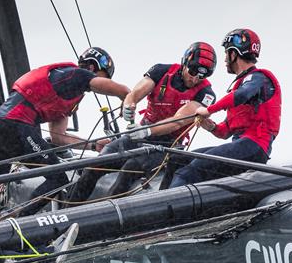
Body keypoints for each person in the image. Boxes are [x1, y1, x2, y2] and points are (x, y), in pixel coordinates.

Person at [0, 47, 130, 229]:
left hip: (1, 123)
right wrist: (129, 98)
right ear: (94, 68)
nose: (104, 83)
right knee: (57, 177)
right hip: (18, 126)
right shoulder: (76, 75)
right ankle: (22, 225)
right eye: (105, 77)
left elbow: (58, 139)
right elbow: (122, 91)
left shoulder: (70, 89)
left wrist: (93, 144)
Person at [67, 42, 217, 204]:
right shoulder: (161, 71)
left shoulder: (206, 94)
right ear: (184, 63)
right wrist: (129, 105)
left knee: (130, 168)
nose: (195, 78)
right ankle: (65, 213)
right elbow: (136, 93)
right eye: (193, 71)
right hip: (138, 136)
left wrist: (147, 131)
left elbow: (178, 122)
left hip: (167, 144)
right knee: (94, 166)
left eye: (202, 75)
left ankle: (102, 218)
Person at [168, 28, 282, 188]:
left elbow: (242, 95)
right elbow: (225, 132)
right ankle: (153, 200)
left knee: (190, 172)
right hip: (241, 144)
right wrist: (210, 126)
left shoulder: (258, 78)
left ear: (234, 54)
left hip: (254, 146)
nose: (225, 59)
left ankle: (165, 208)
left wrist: (208, 110)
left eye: (226, 53)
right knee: (177, 159)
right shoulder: (240, 84)